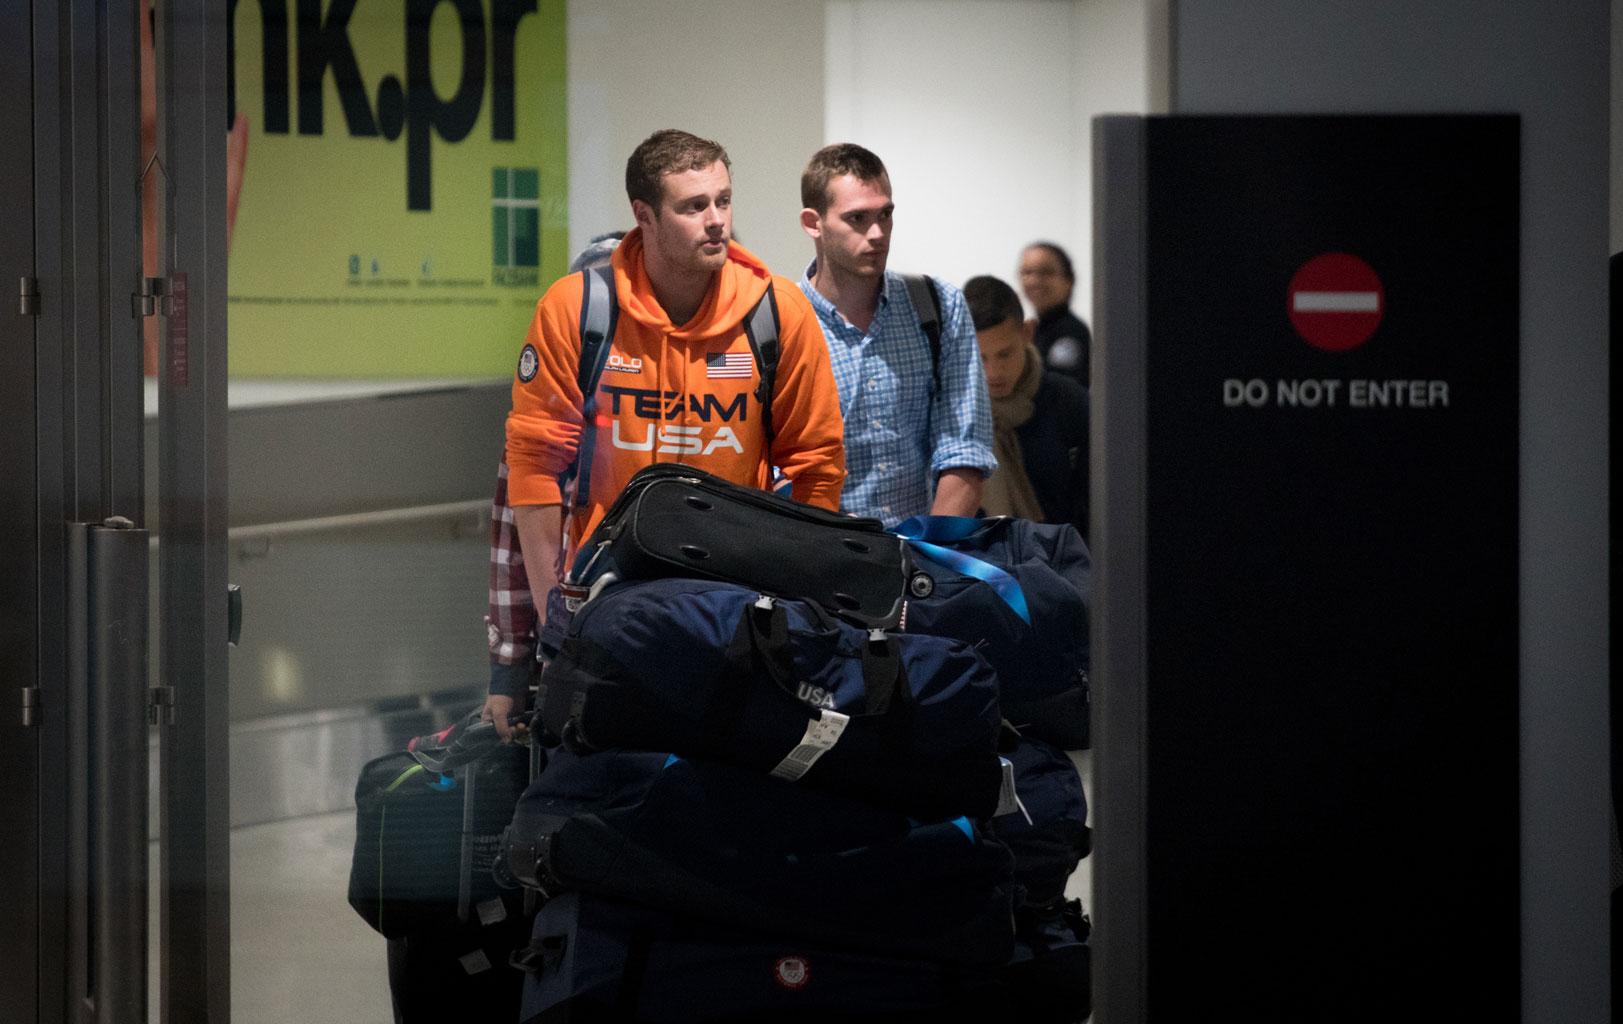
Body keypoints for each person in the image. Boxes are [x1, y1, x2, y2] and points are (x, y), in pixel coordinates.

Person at [482, 130, 847, 739]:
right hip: (604, 614)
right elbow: (533, 469)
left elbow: (817, 466)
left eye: (724, 201)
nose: (716, 222)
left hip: (736, 613)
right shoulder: (576, 310)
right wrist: (554, 618)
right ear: (644, 215)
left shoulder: (777, 311)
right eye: (693, 206)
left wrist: (793, 605)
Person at [797, 143, 995, 526]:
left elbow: (965, 450)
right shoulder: (781, 320)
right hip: (816, 560)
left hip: (921, 554)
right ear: (813, 223)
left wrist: (926, 564)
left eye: (885, 214)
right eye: (857, 218)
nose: (877, 233)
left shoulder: (937, 305)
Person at [963, 274, 1089, 537]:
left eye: (1005, 354)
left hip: (1068, 565)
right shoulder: (954, 412)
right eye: (980, 356)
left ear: (1027, 333)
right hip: (982, 568)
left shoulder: (1070, 402)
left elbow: (1096, 504)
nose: (994, 371)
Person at [1017, 241, 1092, 387]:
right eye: (1027, 272)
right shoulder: (1032, 330)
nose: (1034, 281)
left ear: (1068, 281)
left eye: (1045, 272)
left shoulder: (1071, 331)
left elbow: (1061, 389)